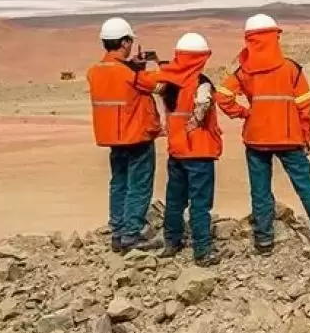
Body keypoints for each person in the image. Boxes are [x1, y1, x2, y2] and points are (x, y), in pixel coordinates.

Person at [214, 13, 310, 254]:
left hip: (256, 139)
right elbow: (305, 106)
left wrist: (245, 114)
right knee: (305, 186)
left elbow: (222, 96)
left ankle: (264, 241)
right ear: (275, 37)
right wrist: (306, 136)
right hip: (289, 138)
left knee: (260, 189)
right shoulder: (291, 69)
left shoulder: (244, 72)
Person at [86, 17, 164, 253]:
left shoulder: (94, 71)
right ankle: (132, 234)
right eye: (129, 41)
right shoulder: (129, 75)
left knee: (118, 184)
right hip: (137, 138)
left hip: (113, 138)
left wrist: (131, 66)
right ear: (124, 42)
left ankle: (118, 232)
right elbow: (155, 86)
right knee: (139, 186)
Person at [155, 32, 223, 266]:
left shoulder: (168, 83)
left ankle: (171, 242)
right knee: (200, 203)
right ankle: (202, 251)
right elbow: (203, 103)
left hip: (177, 151)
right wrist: (196, 120)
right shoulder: (201, 83)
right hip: (200, 151)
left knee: (175, 200)